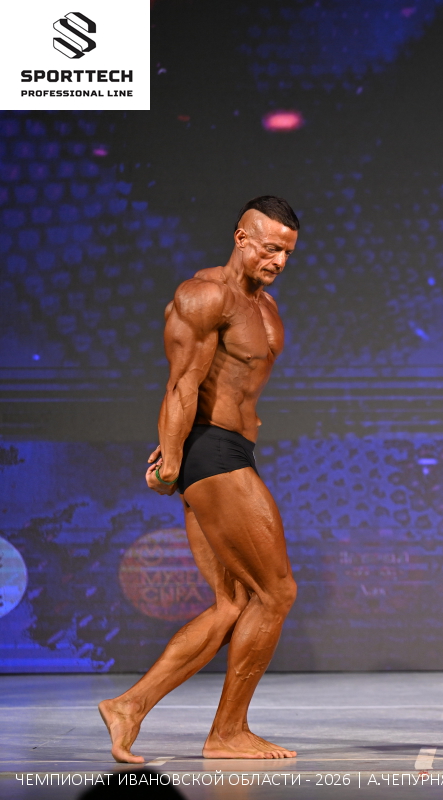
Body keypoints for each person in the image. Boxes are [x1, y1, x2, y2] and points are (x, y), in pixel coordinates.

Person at [98, 197, 300, 762]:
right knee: (277, 592)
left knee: (232, 603)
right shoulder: (206, 295)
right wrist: (170, 460)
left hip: (231, 449)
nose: (279, 260)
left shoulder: (266, 306)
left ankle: (128, 707)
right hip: (211, 451)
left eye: (287, 252)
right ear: (241, 236)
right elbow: (182, 383)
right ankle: (228, 732)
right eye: (270, 247)